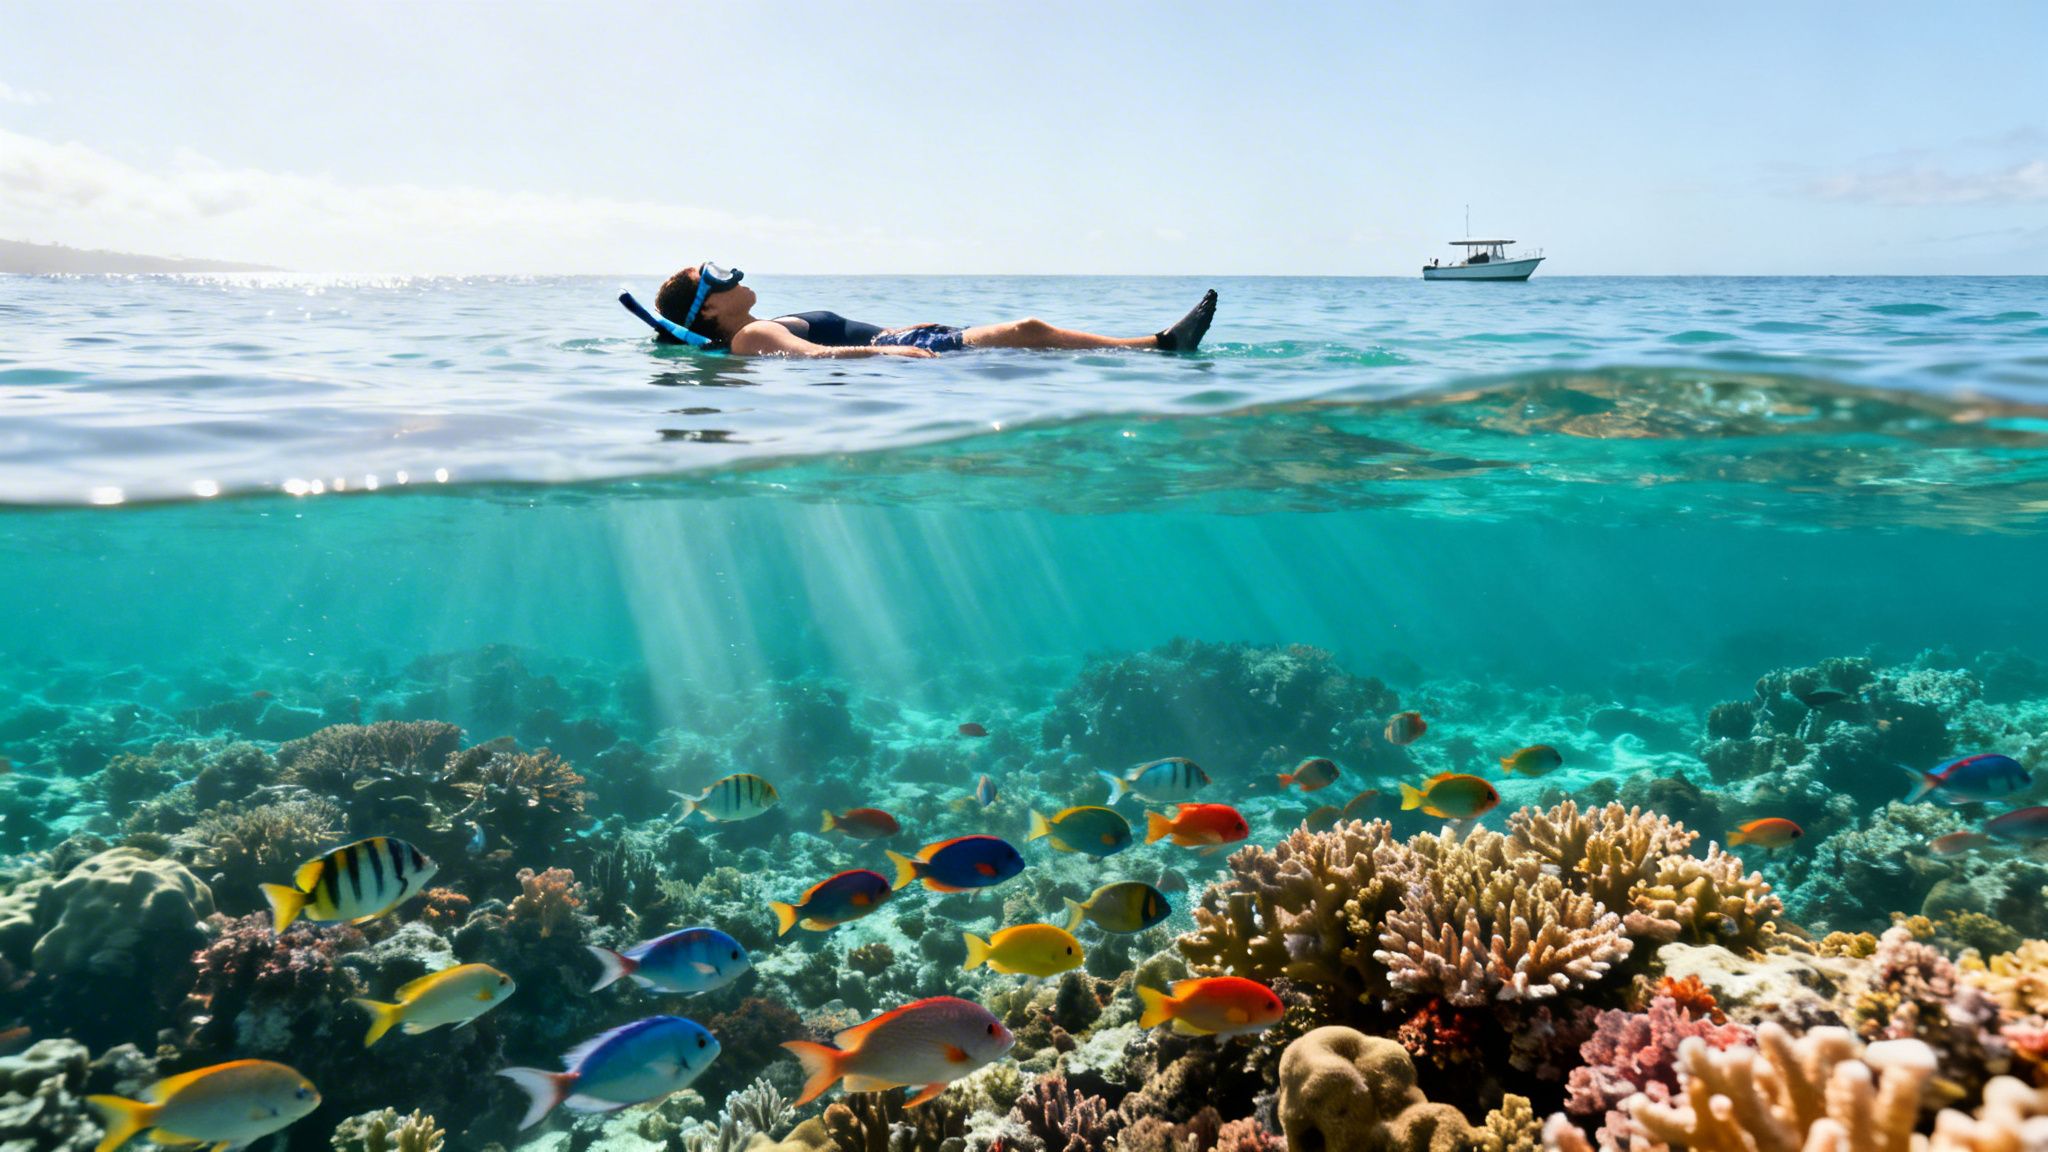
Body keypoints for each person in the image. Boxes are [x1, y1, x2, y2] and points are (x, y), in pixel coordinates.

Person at [653, 262, 1217, 359]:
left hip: (914, 342)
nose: (734, 275)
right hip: (908, 351)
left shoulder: (753, 330)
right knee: (1029, 330)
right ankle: (1158, 347)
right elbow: (813, 359)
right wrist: (902, 352)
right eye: (717, 277)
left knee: (1034, 336)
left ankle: (1154, 347)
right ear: (707, 311)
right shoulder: (751, 339)